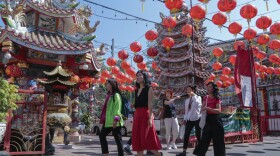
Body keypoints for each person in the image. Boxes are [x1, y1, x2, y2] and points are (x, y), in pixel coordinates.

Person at [132, 70, 162, 156]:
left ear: (144, 77)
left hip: (145, 115)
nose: (138, 77)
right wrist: (134, 105)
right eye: (137, 76)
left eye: (140, 75)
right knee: (138, 141)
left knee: (148, 139)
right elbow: (139, 102)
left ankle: (159, 154)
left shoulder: (149, 88)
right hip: (137, 115)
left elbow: (150, 104)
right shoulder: (136, 89)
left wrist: (150, 118)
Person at [193, 82, 225, 156]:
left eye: (210, 87)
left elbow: (218, 110)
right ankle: (200, 154)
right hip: (208, 120)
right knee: (204, 139)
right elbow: (203, 107)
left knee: (218, 141)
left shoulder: (217, 97)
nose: (208, 88)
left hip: (216, 120)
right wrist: (201, 109)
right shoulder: (205, 97)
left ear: (213, 88)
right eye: (207, 87)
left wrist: (207, 108)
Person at [99, 78, 124, 156]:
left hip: (114, 121)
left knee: (118, 141)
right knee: (102, 135)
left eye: (107, 83)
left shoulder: (116, 95)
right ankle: (106, 153)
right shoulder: (109, 95)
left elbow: (118, 108)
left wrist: (116, 120)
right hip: (108, 121)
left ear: (112, 84)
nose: (106, 85)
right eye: (106, 83)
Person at [177, 85, 202, 156]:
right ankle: (184, 151)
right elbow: (186, 111)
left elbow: (198, 105)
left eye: (189, 89)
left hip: (197, 118)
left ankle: (201, 151)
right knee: (186, 134)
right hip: (189, 119)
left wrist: (194, 96)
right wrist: (185, 119)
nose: (188, 91)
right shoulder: (187, 100)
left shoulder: (198, 97)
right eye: (187, 89)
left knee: (198, 135)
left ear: (193, 90)